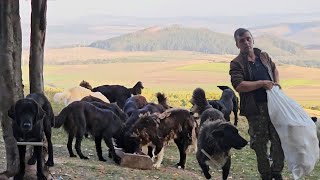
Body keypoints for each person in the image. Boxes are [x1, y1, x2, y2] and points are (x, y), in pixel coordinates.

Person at [229, 28, 284, 180]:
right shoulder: (236, 63)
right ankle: (266, 175)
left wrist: (276, 85)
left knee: (279, 139)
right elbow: (239, 85)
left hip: (273, 105)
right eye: (242, 41)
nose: (246, 43)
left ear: (252, 39)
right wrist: (261, 83)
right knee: (259, 144)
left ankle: (276, 172)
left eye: (248, 39)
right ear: (237, 44)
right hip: (255, 109)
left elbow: (274, 69)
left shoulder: (263, 55)